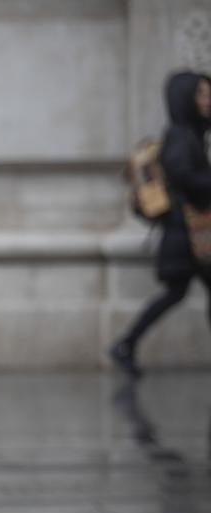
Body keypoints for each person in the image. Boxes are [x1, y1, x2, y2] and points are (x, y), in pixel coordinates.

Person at [110, 70, 211, 377]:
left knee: (175, 293)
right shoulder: (181, 136)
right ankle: (125, 344)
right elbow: (183, 176)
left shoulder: (189, 134)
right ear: (185, 99)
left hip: (189, 233)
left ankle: (126, 344)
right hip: (189, 235)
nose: (208, 100)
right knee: (174, 293)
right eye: (201, 94)